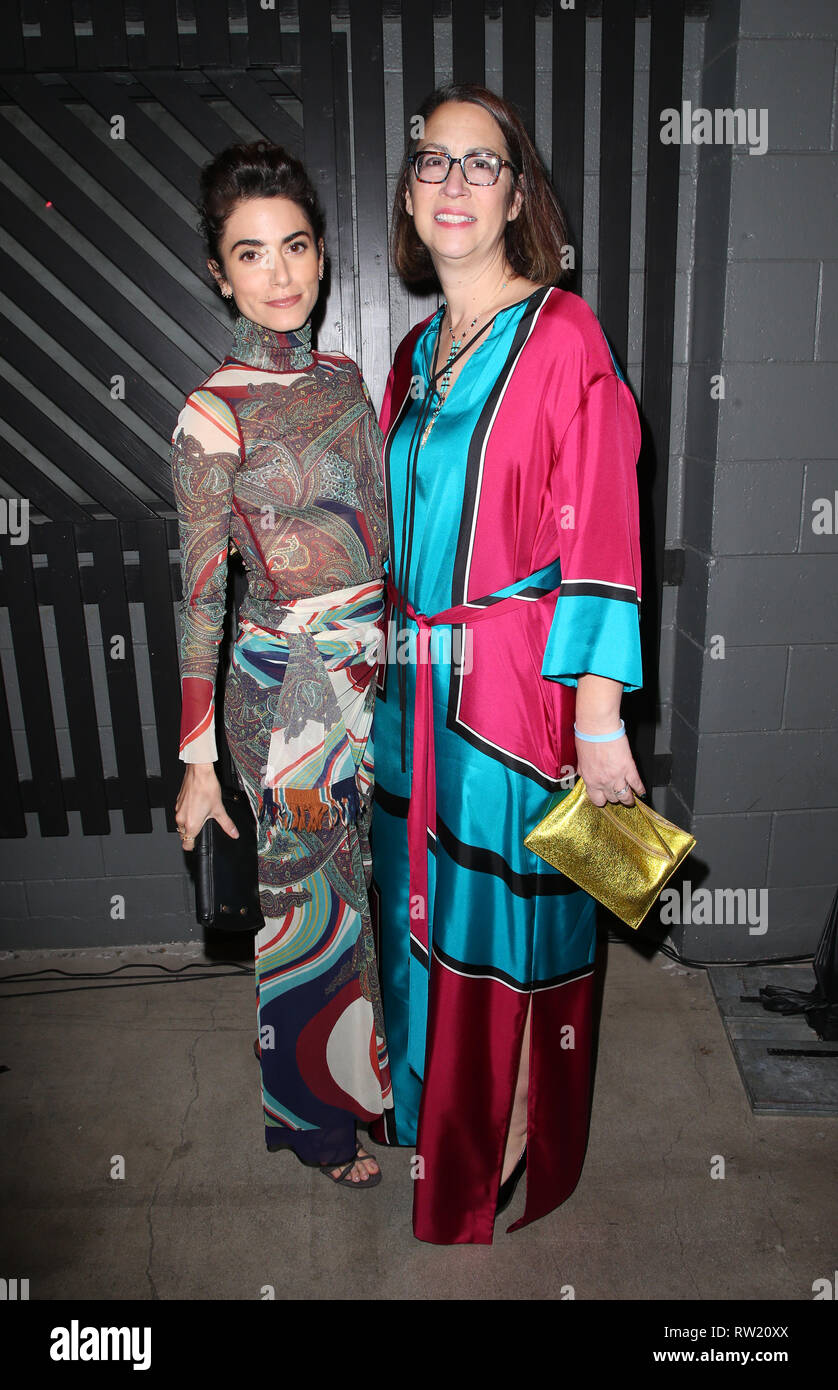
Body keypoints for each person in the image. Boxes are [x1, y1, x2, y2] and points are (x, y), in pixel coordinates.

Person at [368, 84, 646, 1243]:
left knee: (511, 930)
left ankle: (504, 1146)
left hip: (513, 696)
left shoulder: (566, 334)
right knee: (413, 914)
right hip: (409, 694)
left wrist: (596, 711)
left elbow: (606, 530)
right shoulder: (414, 352)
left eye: (483, 164)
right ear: (410, 191)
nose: (454, 182)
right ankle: (439, 1121)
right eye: (434, 160)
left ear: (519, 195)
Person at [171, 141, 392, 1187]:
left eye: (295, 245)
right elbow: (202, 593)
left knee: (376, 893)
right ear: (219, 272)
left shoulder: (347, 378)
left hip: (375, 668)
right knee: (313, 908)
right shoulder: (212, 411)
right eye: (250, 253)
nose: (280, 272)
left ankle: (379, 1089)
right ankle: (318, 1128)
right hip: (287, 688)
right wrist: (200, 760)